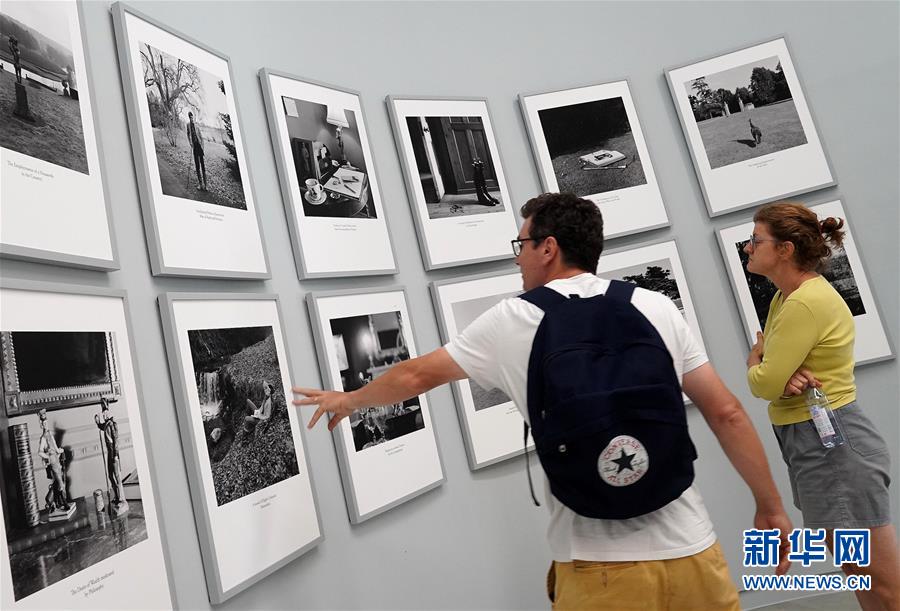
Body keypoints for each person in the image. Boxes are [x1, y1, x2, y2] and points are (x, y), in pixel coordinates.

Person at [295, 192, 793, 609]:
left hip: (598, 568)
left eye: (522, 244)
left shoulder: (514, 320)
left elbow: (415, 374)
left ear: (548, 248)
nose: (518, 257)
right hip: (694, 551)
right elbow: (726, 412)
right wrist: (770, 507)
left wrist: (350, 399)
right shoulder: (654, 306)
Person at [744, 202, 899, 611]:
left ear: (785, 250)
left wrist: (757, 364)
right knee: (860, 575)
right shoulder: (785, 299)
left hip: (831, 446)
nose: (747, 247)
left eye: (756, 240)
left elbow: (765, 381)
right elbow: (774, 372)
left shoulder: (803, 303)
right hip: (812, 441)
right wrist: (773, 370)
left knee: (882, 584)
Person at [95, 398, 127, 511]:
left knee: (117, 476)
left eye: (105, 412)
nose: (104, 415)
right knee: (110, 475)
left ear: (108, 412)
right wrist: (97, 422)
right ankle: (117, 496)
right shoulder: (106, 424)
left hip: (114, 454)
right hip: (109, 453)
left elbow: (116, 441)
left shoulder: (113, 425)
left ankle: (121, 498)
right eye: (103, 413)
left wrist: (115, 455)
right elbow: (101, 427)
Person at [37, 408, 70, 513]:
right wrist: (48, 456)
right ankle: (64, 502)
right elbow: (40, 452)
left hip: (57, 460)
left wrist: (59, 451)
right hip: (52, 463)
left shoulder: (50, 435)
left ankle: (52, 502)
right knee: (60, 483)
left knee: (59, 482)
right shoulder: (43, 438)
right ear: (41, 426)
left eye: (47, 423)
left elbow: (55, 447)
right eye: (44, 424)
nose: (46, 425)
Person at [186, 111, 207, 191]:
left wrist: (202, 147)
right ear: (189, 117)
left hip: (199, 147)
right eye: (190, 117)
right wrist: (190, 142)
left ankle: (206, 185)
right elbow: (188, 134)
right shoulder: (188, 125)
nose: (191, 118)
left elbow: (201, 137)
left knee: (202, 165)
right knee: (197, 166)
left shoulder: (197, 125)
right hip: (194, 147)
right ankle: (200, 184)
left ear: (193, 117)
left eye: (192, 117)